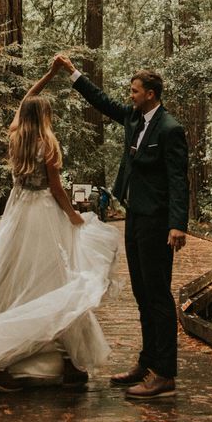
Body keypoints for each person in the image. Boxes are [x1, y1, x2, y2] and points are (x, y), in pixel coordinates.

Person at [0, 58, 120, 393]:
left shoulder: (15, 137)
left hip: (17, 213)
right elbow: (56, 188)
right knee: (53, 279)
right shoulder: (47, 144)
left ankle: (48, 358)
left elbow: (25, 102)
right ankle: (65, 357)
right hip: (42, 216)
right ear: (45, 117)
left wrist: (48, 76)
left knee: (11, 277)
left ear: (25, 116)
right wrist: (73, 216)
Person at [54, 54, 188, 400]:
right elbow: (102, 102)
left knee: (158, 294)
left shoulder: (170, 129)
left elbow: (178, 180)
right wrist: (73, 73)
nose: (130, 95)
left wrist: (177, 224)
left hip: (158, 221)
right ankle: (146, 363)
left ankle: (165, 374)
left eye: (135, 91)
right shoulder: (133, 117)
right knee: (142, 293)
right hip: (135, 216)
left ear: (151, 94)